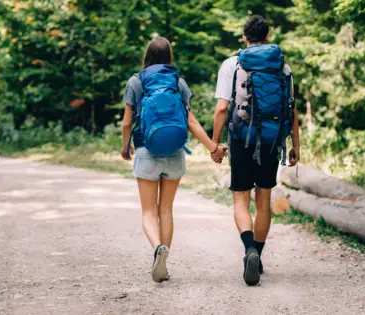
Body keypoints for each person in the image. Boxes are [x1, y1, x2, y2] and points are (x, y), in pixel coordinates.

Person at [120, 37, 226, 283]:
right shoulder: (178, 82)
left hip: (146, 151)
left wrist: (126, 148)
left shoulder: (136, 81)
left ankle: (158, 249)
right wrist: (213, 147)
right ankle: (163, 260)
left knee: (148, 211)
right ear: (170, 57)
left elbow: (127, 122)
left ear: (147, 55)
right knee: (165, 209)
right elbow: (191, 122)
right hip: (175, 154)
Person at [211, 16, 300, 286]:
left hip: (241, 138)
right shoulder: (282, 67)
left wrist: (216, 143)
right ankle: (258, 256)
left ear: (244, 37)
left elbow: (222, 109)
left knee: (240, 198)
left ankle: (249, 249)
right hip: (272, 140)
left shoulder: (232, 64)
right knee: (264, 198)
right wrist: (296, 145)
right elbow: (291, 109)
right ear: (268, 36)